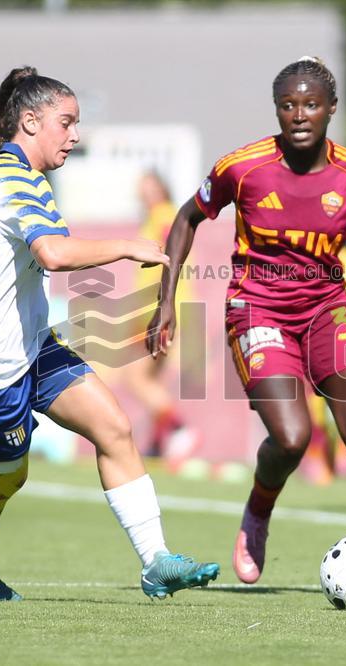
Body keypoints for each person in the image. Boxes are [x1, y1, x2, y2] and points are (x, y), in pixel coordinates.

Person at [0, 66, 218, 601]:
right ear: (31, 121)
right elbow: (55, 254)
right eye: (67, 123)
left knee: (114, 427)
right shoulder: (14, 180)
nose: (75, 135)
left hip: (32, 348)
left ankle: (157, 562)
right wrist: (127, 247)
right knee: (4, 479)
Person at [148, 57, 346, 596]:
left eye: (311, 104)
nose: (299, 114)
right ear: (277, 109)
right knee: (293, 436)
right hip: (258, 310)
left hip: (327, 309)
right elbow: (185, 218)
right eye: (288, 105)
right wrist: (165, 302)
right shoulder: (244, 167)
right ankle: (258, 509)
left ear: (332, 109)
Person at [119, 171, 199, 467]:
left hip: (158, 310)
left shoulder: (165, 215)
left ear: (163, 188)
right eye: (143, 188)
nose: (145, 193)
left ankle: (179, 429)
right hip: (152, 310)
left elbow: (173, 250)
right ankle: (156, 443)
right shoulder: (153, 218)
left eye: (150, 187)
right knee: (151, 378)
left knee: (135, 377)